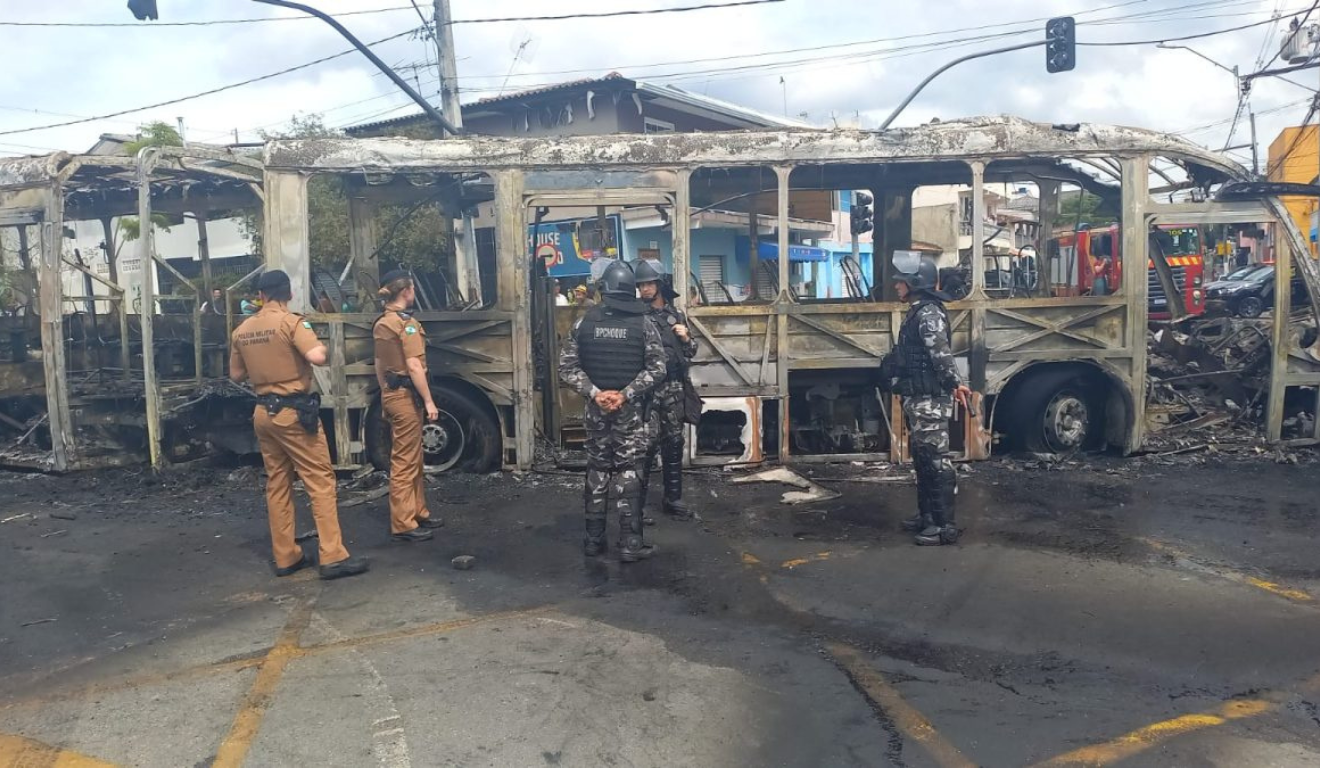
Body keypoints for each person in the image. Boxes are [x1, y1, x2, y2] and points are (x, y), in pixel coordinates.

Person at [229, 270, 369, 579]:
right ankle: (332, 556)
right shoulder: (292, 322)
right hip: (294, 413)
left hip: (263, 414)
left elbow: (236, 375)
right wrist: (331, 346)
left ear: (261, 295)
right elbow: (317, 356)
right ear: (288, 294)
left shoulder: (242, 330)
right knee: (319, 481)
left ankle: (286, 557)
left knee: (277, 484)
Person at [559, 261, 667, 562]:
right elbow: (658, 368)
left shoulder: (584, 323)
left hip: (596, 410)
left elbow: (567, 367)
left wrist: (596, 393)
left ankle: (593, 541)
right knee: (628, 469)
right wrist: (625, 394)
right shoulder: (643, 324)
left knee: (597, 469)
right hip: (629, 411)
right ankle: (631, 542)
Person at [877, 253, 971, 546]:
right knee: (922, 458)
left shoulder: (928, 313)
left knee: (936, 460)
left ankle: (944, 526)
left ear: (914, 283)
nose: (896, 286)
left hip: (930, 398)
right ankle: (927, 516)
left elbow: (940, 354)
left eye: (900, 281)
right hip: (918, 397)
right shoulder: (918, 310)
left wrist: (956, 383)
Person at [373, 270, 442, 543]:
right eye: (412, 289)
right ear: (406, 292)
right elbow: (414, 365)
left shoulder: (382, 323)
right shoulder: (406, 324)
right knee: (404, 461)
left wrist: (384, 392)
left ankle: (417, 511)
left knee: (412, 456)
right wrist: (428, 400)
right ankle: (404, 523)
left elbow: (379, 363)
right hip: (406, 396)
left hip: (392, 393)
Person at [633, 259, 698, 524]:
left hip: (673, 387)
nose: (645, 289)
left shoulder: (676, 315)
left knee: (674, 443)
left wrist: (686, 338)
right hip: (648, 389)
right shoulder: (636, 315)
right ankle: (638, 506)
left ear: (660, 285)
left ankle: (673, 498)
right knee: (645, 447)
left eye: (649, 283)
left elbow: (691, 352)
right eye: (641, 285)